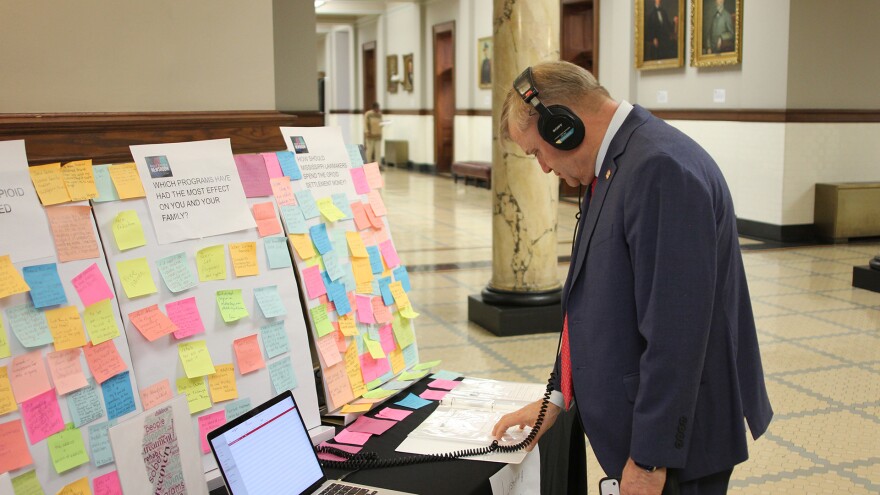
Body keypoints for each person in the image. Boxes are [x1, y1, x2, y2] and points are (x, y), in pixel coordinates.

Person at [492, 61, 773, 495]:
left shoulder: (660, 169)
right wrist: (556, 398)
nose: (544, 168)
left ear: (561, 128)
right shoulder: (617, 164)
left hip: (675, 453)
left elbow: (676, 333)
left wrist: (649, 459)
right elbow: (589, 302)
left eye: (537, 152)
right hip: (643, 437)